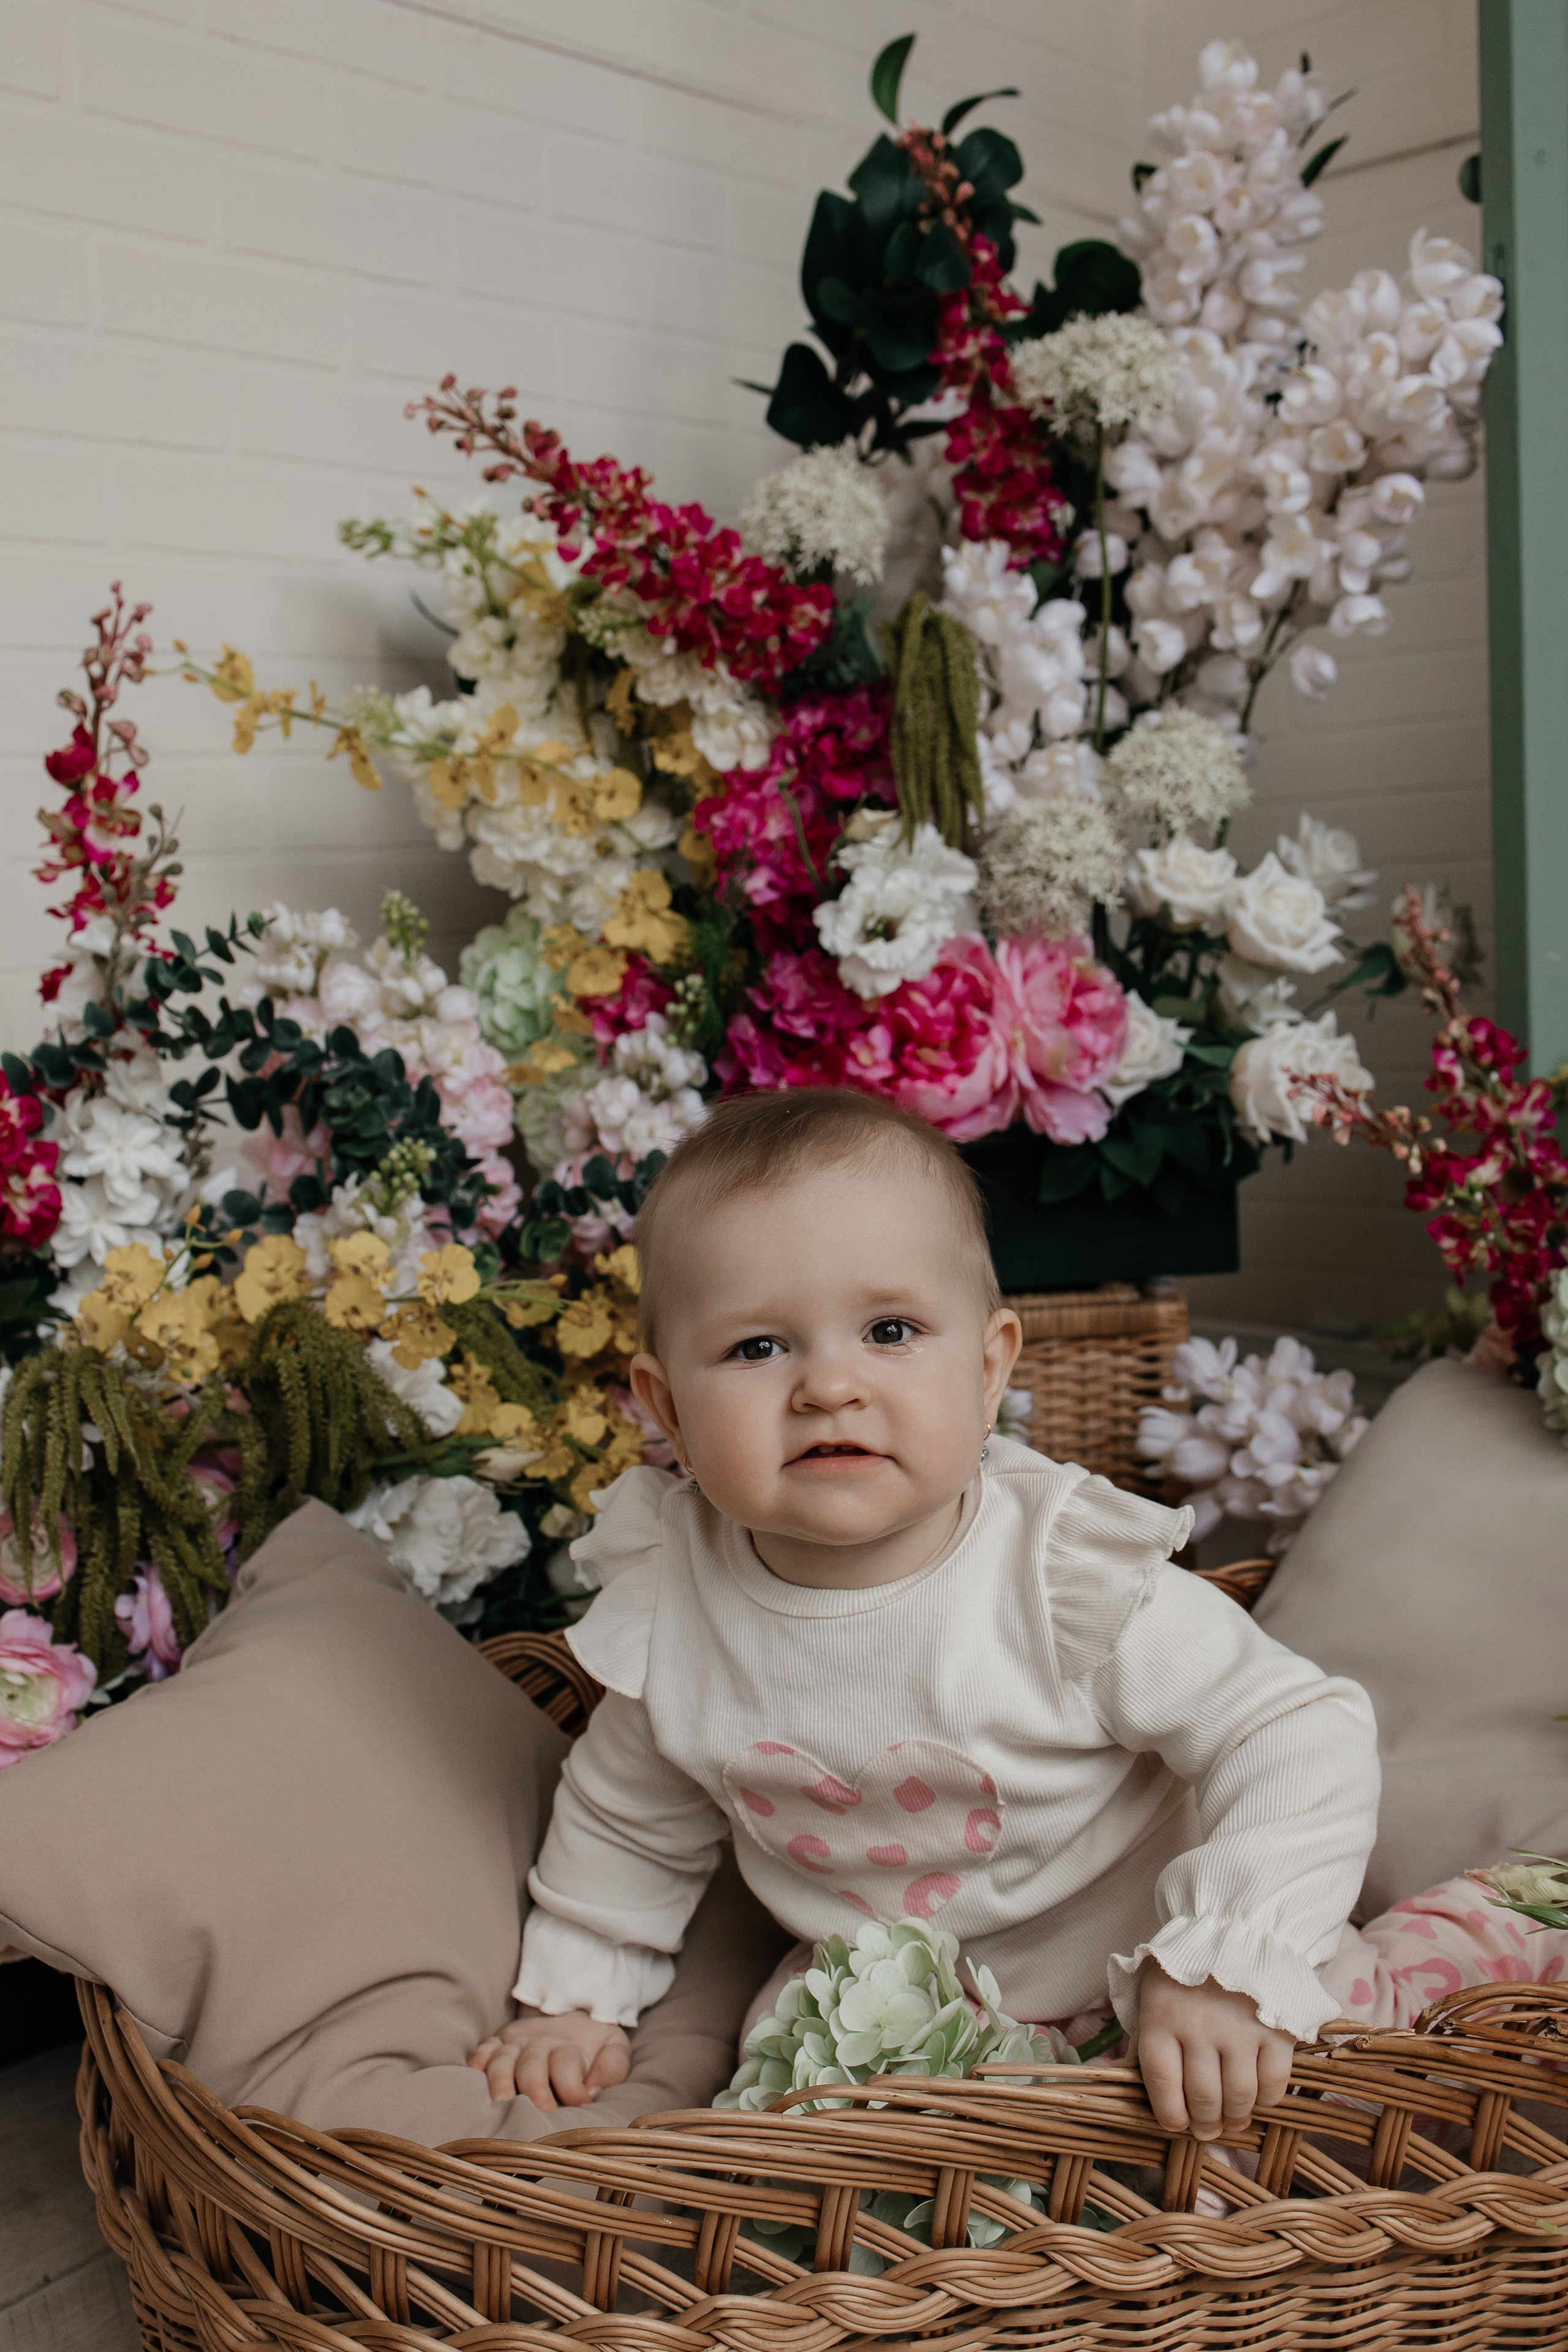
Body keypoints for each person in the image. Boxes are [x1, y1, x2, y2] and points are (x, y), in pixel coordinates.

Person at [469, 1090, 1380, 2140]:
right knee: (785, 2159)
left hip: (1155, 1983)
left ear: (989, 1370)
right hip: (882, 2019)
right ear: (668, 1408)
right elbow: (630, 1814)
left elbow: (1292, 1731)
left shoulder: (1058, 1576)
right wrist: (576, 2001)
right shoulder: (679, 1605)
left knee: (1312, 2086)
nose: (829, 1385)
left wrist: (1229, 1951)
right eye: (758, 1348)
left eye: (890, 1331)